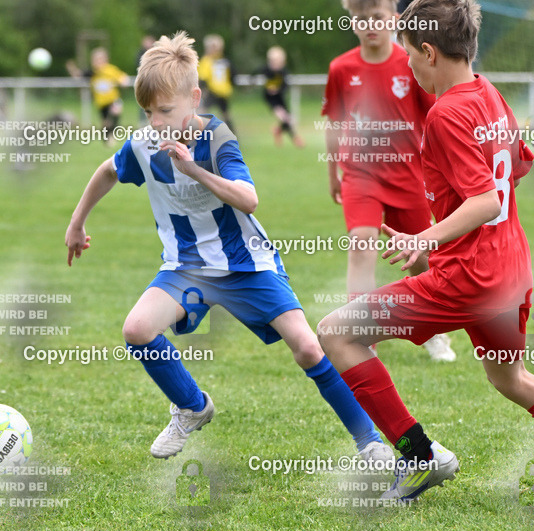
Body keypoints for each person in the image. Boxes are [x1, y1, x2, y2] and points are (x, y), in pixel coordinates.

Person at [317, 0, 534, 503]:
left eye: (409, 53)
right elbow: (519, 162)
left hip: (469, 276)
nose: (408, 65)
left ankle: (418, 456)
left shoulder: (446, 113)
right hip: (511, 270)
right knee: (511, 377)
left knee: (337, 333)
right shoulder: (489, 93)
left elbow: (484, 201)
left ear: (429, 52)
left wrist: (422, 237)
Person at [64, 32, 392, 465]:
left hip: (246, 263)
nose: (156, 122)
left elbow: (247, 198)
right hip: (186, 266)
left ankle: (369, 441)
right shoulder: (144, 143)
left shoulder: (218, 138)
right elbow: (107, 170)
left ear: (194, 98)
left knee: (309, 348)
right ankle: (192, 406)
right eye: (148, 112)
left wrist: (194, 169)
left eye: (165, 111)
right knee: (137, 330)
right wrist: (77, 222)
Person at [322, 0, 456, 363]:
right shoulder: (341, 68)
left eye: (377, 16)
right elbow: (334, 123)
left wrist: (442, 170)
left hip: (407, 176)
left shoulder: (411, 63)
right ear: (352, 21)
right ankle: (361, 336)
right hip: (360, 176)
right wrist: (333, 174)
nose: (370, 25)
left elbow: (435, 119)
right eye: (361, 18)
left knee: (422, 257)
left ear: (394, 17)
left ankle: (436, 332)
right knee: (361, 247)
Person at [67, 47, 129, 143]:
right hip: (101, 103)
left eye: (99, 60)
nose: (96, 62)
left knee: (116, 110)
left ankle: (112, 134)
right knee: (105, 123)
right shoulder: (92, 73)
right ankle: (106, 138)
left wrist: (124, 81)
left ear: (105, 60)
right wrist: (71, 68)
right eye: (94, 60)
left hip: (112, 99)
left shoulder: (110, 70)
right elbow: (78, 75)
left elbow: (122, 77)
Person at [259, 46, 304, 147]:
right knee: (285, 119)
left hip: (280, 98)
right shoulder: (266, 70)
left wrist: (277, 90)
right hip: (271, 100)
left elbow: (285, 86)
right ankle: (295, 138)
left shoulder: (283, 72)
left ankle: (278, 130)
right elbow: (256, 72)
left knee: (288, 119)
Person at [198, 34, 236, 131]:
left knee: (224, 114)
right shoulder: (211, 61)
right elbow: (203, 77)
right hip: (214, 90)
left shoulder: (219, 61)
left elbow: (203, 77)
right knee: (204, 112)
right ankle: (202, 133)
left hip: (220, 91)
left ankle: (231, 135)